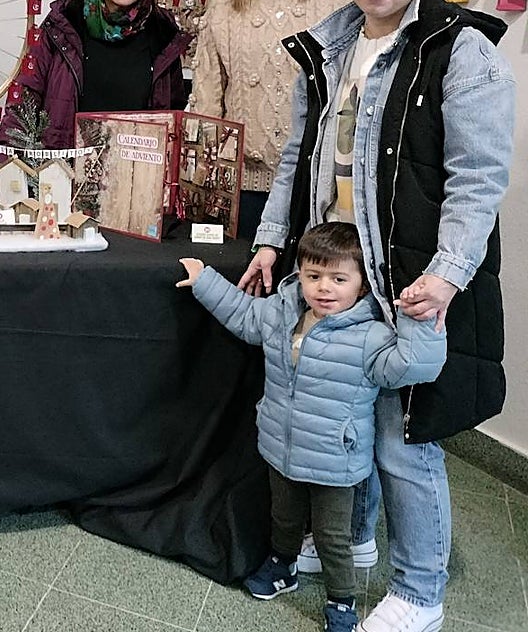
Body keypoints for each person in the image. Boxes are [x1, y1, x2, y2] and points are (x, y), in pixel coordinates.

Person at [239, 0, 516, 632]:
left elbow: (478, 177)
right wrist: (272, 241)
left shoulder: (462, 51)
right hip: (334, 273)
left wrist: (450, 273)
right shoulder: (326, 48)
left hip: (408, 275)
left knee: (403, 438)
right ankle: (349, 545)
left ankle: (421, 594)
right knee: (343, 421)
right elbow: (298, 158)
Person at [178, 222, 446, 631]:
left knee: (331, 539)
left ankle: (341, 602)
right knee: (284, 520)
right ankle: (282, 566)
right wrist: (205, 281)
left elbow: (410, 369)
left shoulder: (371, 336)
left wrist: (417, 322)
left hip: (336, 463)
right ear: (299, 274)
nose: (325, 288)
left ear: (361, 283)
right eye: (313, 276)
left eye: (339, 278)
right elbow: (244, 314)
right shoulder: (282, 313)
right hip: (280, 448)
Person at [187, 0, 351, 238]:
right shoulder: (225, 2)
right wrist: (203, 181)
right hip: (245, 185)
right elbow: (207, 96)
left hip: (316, 183)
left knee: (312, 289)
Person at [0, 0, 191, 151]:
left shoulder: (163, 34)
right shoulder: (63, 23)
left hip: (137, 175)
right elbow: (23, 101)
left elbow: (175, 114)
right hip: (63, 171)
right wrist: (7, 169)